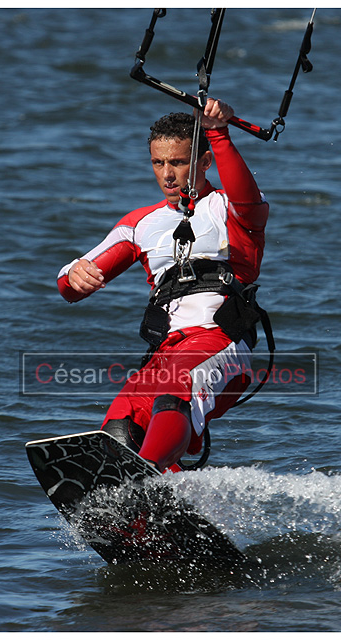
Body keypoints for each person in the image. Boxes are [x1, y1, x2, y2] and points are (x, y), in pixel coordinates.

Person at [57, 98, 269, 473]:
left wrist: (219, 132)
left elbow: (247, 200)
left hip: (221, 343)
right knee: (122, 422)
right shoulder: (141, 224)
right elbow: (70, 286)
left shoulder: (230, 208)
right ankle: (137, 498)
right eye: (159, 163)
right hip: (166, 350)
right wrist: (73, 275)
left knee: (175, 389)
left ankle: (145, 480)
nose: (168, 174)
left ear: (204, 162)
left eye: (179, 162)